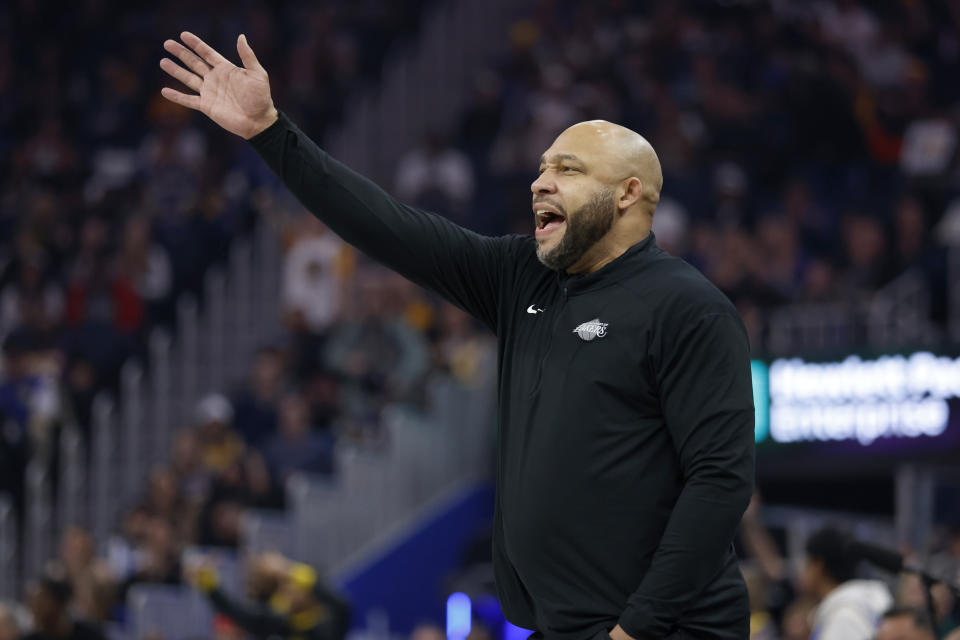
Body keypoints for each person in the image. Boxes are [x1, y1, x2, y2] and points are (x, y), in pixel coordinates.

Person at [159, 31, 756, 639]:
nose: (539, 183)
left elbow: (720, 481)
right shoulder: (523, 277)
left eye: (567, 170)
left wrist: (638, 627)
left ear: (629, 193)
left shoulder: (688, 308)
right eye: (541, 167)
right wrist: (270, 131)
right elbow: (388, 227)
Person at [186, 555, 350, 640]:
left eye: (293, 585)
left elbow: (342, 606)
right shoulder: (279, 623)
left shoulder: (328, 624)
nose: (288, 591)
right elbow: (235, 611)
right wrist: (209, 584)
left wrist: (288, 569)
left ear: (309, 592)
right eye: (284, 587)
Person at [800, 527, 892, 640]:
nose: (802, 571)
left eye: (807, 564)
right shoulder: (848, 610)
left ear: (819, 566)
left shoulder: (845, 618)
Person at [22, 564, 106, 640]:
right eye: (33, 603)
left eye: (41, 603)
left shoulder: (90, 635)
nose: (35, 609)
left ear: (59, 603)